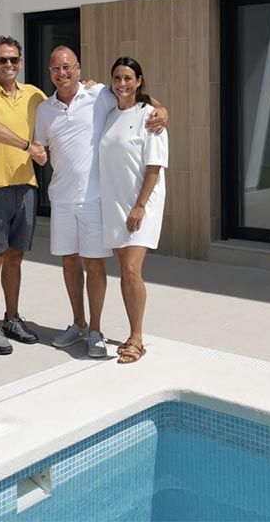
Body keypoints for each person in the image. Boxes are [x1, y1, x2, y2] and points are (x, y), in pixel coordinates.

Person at [34, 46, 167, 358]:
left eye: (67, 66)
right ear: (50, 72)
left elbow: (136, 96)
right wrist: (37, 153)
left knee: (96, 265)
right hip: (62, 199)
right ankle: (78, 324)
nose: (62, 73)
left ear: (78, 67)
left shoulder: (99, 95)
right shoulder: (44, 109)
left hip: (96, 200)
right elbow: (41, 146)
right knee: (69, 263)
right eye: (56, 68)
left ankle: (95, 330)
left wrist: (163, 111)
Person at [0, 36, 48, 355]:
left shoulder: (34, 95)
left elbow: (67, 105)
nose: (9, 65)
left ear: (21, 62)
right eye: (2, 60)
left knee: (15, 257)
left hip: (26, 187)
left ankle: (11, 318)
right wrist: (28, 146)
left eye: (14, 59)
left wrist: (91, 89)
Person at [99, 57, 168, 364]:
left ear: (139, 80)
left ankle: (137, 338)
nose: (122, 83)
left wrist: (139, 206)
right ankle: (132, 332)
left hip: (142, 204)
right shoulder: (109, 113)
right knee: (125, 273)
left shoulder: (150, 117)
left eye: (128, 78)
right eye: (117, 77)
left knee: (131, 269)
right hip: (114, 203)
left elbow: (154, 166)